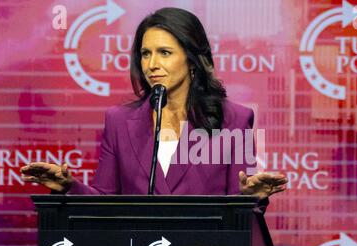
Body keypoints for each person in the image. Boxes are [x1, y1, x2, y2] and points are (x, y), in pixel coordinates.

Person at [20, 7, 286, 210]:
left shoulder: (235, 119)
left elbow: (241, 208)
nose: (152, 64)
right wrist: (69, 187)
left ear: (192, 60)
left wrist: (250, 198)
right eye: (146, 54)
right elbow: (105, 202)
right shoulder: (119, 121)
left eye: (165, 53)